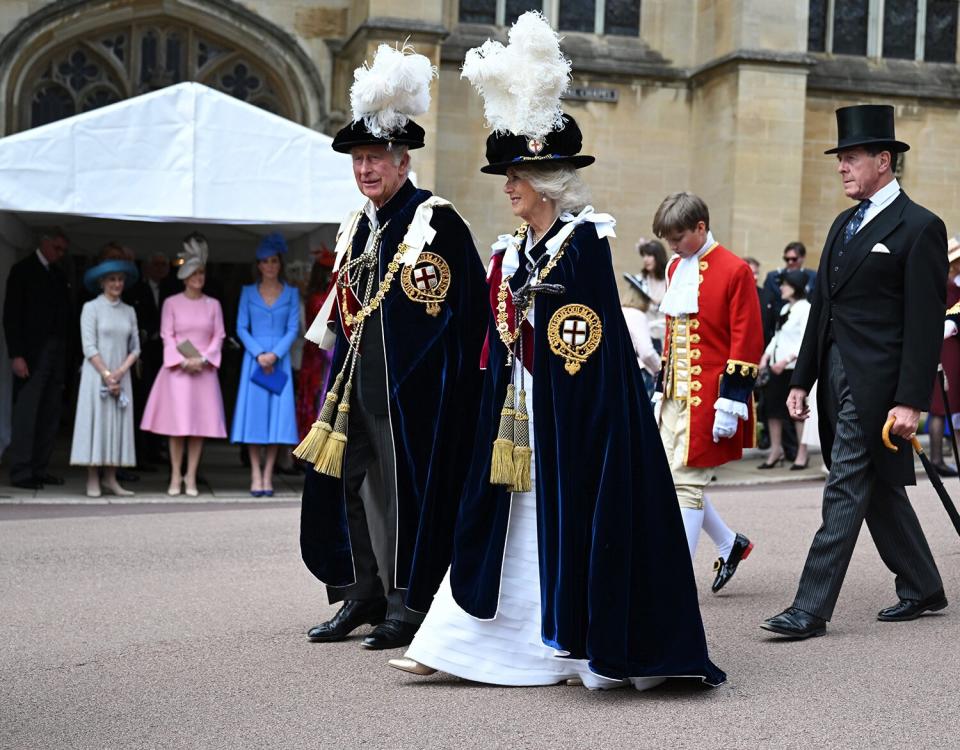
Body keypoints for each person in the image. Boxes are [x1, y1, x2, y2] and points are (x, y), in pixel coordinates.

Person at [388, 13, 725, 690]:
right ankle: (458, 644)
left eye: (516, 173)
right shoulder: (517, 249)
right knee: (499, 523)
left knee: (551, 527)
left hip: (567, 418)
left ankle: (565, 646)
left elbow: (585, 345)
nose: (507, 185)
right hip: (518, 415)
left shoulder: (584, 247)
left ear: (546, 180)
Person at [298, 42, 488, 651]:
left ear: (404, 162)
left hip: (415, 395)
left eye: (375, 158)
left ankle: (410, 599)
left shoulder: (439, 221)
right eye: (358, 159)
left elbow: (464, 319)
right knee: (354, 485)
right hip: (356, 383)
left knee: (405, 491)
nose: (364, 170)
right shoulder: (357, 224)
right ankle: (364, 590)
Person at [763, 104, 948, 640]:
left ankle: (809, 607)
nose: (842, 167)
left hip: (882, 385)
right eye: (840, 159)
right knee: (878, 489)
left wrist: (911, 400)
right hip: (838, 376)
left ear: (884, 161)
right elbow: (824, 309)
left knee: (845, 483)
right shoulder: (844, 223)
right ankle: (923, 585)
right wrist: (802, 380)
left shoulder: (920, 227)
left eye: (851, 158)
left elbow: (923, 322)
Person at [653, 191, 764, 594]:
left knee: (685, 483)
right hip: (671, 397)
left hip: (711, 401)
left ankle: (674, 583)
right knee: (669, 480)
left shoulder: (734, 270)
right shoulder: (673, 268)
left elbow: (747, 340)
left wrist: (731, 402)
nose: (673, 246)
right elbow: (672, 335)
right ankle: (729, 542)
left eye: (678, 237)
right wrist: (659, 389)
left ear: (701, 227)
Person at [140, 234, 227, 497]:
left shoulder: (213, 305)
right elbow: (168, 334)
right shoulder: (171, 303)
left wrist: (202, 359)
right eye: (194, 272)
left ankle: (191, 476)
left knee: (198, 428)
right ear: (184, 276)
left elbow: (219, 335)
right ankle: (175, 475)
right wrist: (182, 360)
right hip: (178, 372)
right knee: (177, 428)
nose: (199, 277)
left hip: (203, 371)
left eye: (202, 272)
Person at [231, 233, 300, 496]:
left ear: (279, 264)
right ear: (258, 265)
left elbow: (294, 328)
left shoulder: (292, 294)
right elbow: (240, 326)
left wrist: (275, 354)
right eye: (265, 262)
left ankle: (268, 474)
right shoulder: (247, 292)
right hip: (254, 361)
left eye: (274, 261)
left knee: (276, 420)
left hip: (278, 362)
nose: (270, 266)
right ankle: (255, 474)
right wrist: (260, 353)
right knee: (254, 418)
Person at [2, 227, 71, 490]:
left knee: (50, 413)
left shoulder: (59, 274)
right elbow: (12, 316)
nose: (60, 253)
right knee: (27, 413)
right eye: (57, 248)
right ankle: (21, 470)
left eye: (63, 249)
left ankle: (40, 467)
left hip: (56, 351)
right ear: (43, 243)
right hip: (32, 353)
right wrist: (16, 354)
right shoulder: (23, 270)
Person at [70, 254, 141, 497]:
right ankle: (92, 477)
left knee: (117, 425)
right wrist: (107, 374)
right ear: (102, 282)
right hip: (96, 375)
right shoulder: (90, 308)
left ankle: (111, 478)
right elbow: (88, 346)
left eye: (121, 279)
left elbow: (136, 347)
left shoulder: (129, 311)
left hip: (122, 376)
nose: (117, 284)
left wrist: (120, 373)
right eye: (112, 279)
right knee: (96, 423)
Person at [758, 269, 811, 470]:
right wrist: (765, 356)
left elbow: (807, 340)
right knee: (773, 411)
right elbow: (777, 336)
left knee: (797, 412)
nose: (781, 287)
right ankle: (775, 450)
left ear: (794, 287)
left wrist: (787, 359)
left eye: (785, 284)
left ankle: (802, 453)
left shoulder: (806, 309)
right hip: (776, 368)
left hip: (793, 369)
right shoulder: (784, 310)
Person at [125, 251, 175, 466]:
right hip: (144, 357)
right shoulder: (136, 290)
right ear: (146, 267)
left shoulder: (173, 290)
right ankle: (141, 453)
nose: (160, 268)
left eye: (164, 264)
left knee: (164, 405)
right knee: (143, 403)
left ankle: (157, 450)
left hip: (168, 356)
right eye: (156, 263)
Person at [927, 237, 960, 476]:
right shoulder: (949, 286)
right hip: (947, 347)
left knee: (943, 405)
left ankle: (938, 458)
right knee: (941, 405)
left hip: (943, 345)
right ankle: (936, 458)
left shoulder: (937, 283)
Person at [296, 251, 335, 441]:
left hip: (321, 352)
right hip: (320, 353)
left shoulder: (318, 297)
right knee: (316, 394)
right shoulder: (319, 299)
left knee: (316, 395)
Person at [622, 276, 663, 394]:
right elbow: (646, 352)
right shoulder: (637, 315)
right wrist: (660, 370)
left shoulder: (620, 311)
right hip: (637, 373)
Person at [637, 239, 667, 347]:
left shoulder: (670, 279)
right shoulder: (640, 280)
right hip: (647, 338)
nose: (645, 259)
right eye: (644, 256)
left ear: (658, 256)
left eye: (649, 255)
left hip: (667, 337)